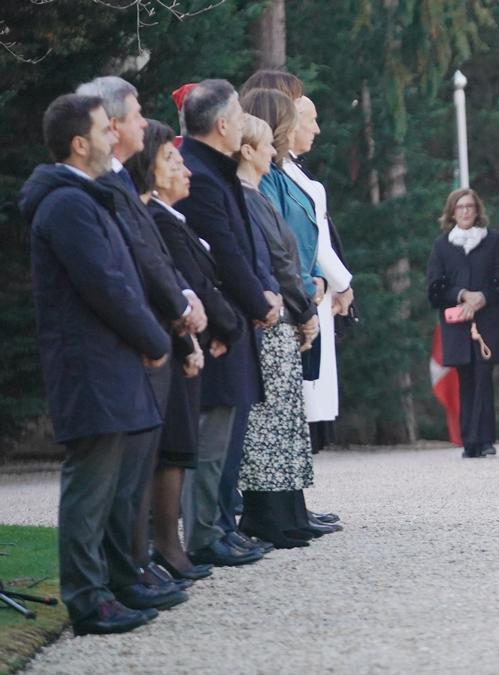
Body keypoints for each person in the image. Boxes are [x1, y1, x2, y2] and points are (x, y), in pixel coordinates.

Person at [21, 94, 171, 634]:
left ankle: (108, 586)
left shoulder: (86, 196)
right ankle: (87, 599)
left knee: (112, 487)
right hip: (89, 365)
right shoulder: (66, 205)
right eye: (106, 131)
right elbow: (105, 287)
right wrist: (155, 337)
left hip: (111, 360)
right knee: (90, 486)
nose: (115, 139)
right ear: (79, 143)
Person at [76, 76, 198, 607]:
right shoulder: (94, 191)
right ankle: (109, 581)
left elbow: (150, 259)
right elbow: (122, 273)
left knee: (135, 468)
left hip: (149, 337)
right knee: (113, 475)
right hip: (129, 343)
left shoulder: (118, 183)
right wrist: (169, 322)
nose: (144, 124)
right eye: (133, 116)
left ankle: (134, 568)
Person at [129, 119, 245, 580]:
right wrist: (216, 325)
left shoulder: (170, 219)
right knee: (177, 450)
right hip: (172, 345)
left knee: (184, 448)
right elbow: (189, 283)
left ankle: (171, 548)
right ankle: (163, 549)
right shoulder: (158, 218)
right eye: (171, 161)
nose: (185, 171)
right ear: (150, 171)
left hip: (189, 341)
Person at [176, 79, 280, 566]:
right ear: (221, 125)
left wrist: (260, 298)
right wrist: (258, 302)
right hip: (219, 323)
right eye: (238, 116)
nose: (243, 123)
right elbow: (222, 254)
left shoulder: (214, 169)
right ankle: (203, 535)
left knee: (227, 433)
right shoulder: (199, 175)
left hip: (234, 318)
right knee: (212, 438)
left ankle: (217, 526)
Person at [239, 95, 333, 546]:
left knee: (286, 421)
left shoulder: (263, 189)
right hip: (274, 310)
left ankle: (288, 511)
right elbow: (277, 253)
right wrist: (301, 304)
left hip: (290, 302)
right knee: (271, 424)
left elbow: (289, 245)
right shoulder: (253, 193)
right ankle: (270, 515)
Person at [285, 94, 355, 453]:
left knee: (313, 398)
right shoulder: (283, 173)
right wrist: (342, 282)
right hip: (307, 286)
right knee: (302, 399)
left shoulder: (297, 170)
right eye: (309, 120)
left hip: (319, 285)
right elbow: (307, 239)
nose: (316, 128)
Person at [426, 189, 499, 458]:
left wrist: (482, 298)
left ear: (477, 211)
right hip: (456, 323)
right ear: (452, 212)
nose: (465, 211)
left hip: (488, 321)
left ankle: (484, 439)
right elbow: (434, 289)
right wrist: (462, 296)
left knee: (484, 376)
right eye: (460, 207)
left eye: (470, 207)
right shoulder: (442, 246)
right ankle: (469, 439)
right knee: (465, 378)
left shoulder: (494, 241)